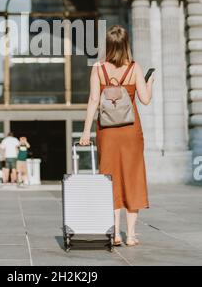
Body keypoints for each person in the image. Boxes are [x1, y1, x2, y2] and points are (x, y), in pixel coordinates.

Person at [80, 25, 155, 247]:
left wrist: (85, 132)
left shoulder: (98, 69)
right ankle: (131, 235)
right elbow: (145, 99)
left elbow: (94, 101)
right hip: (131, 131)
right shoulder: (134, 68)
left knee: (110, 178)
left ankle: (115, 234)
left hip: (108, 131)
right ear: (126, 45)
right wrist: (150, 83)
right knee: (133, 177)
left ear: (108, 46)